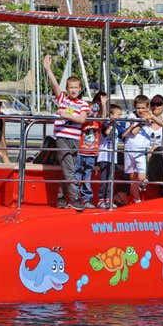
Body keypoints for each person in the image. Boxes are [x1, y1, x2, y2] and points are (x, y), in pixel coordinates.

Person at [43, 54, 90, 210]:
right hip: (62, 138)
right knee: (69, 169)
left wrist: (67, 115)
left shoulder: (83, 104)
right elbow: (55, 86)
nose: (74, 90)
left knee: (70, 170)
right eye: (71, 87)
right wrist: (48, 69)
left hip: (75, 139)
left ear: (80, 89)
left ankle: (62, 197)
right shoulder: (63, 99)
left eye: (76, 87)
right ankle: (75, 198)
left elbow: (82, 119)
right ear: (67, 89)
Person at [74, 92, 108, 209]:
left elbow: (103, 118)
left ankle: (86, 199)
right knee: (77, 176)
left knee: (87, 177)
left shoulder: (97, 122)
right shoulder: (82, 122)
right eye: (88, 110)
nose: (91, 112)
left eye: (92, 110)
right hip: (80, 152)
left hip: (91, 153)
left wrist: (103, 105)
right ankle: (75, 198)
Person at [121, 94, 154, 204]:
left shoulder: (150, 116)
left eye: (143, 108)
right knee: (132, 177)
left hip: (141, 150)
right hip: (130, 148)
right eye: (138, 108)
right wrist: (142, 121)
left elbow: (161, 124)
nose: (140, 110)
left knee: (141, 176)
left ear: (147, 107)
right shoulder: (131, 116)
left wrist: (150, 118)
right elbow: (133, 132)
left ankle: (141, 187)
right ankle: (136, 199)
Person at [97, 103, 125, 209]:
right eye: (118, 115)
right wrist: (112, 123)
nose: (119, 117)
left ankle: (108, 199)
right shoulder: (106, 125)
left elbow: (124, 135)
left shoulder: (118, 127)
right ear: (112, 115)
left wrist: (131, 126)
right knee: (105, 179)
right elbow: (106, 133)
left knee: (110, 178)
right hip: (105, 156)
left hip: (113, 157)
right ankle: (101, 199)